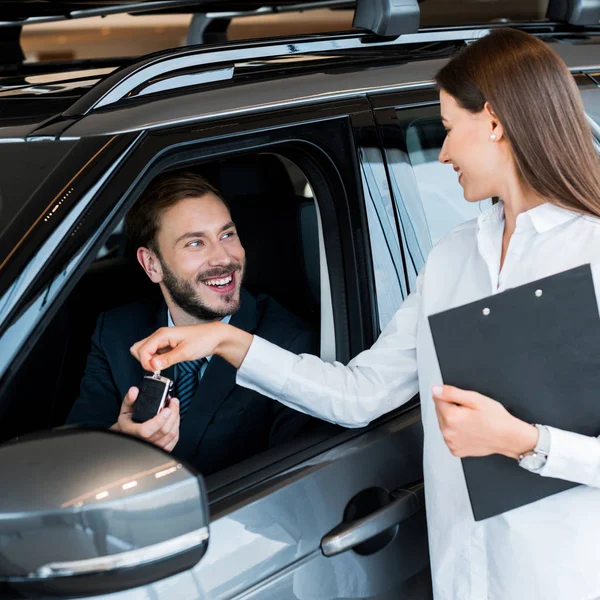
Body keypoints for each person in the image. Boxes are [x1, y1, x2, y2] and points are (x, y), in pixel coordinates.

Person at [131, 29, 600, 600]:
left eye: (449, 130)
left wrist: (524, 441)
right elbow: (360, 394)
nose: (444, 151)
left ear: (495, 123)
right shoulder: (452, 256)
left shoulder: (591, 254)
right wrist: (227, 343)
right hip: (462, 581)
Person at [67, 171, 318, 476]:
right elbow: (75, 456)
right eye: (195, 243)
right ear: (152, 264)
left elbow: (295, 482)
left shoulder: (290, 345)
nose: (224, 258)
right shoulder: (116, 331)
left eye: (227, 235)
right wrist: (120, 442)